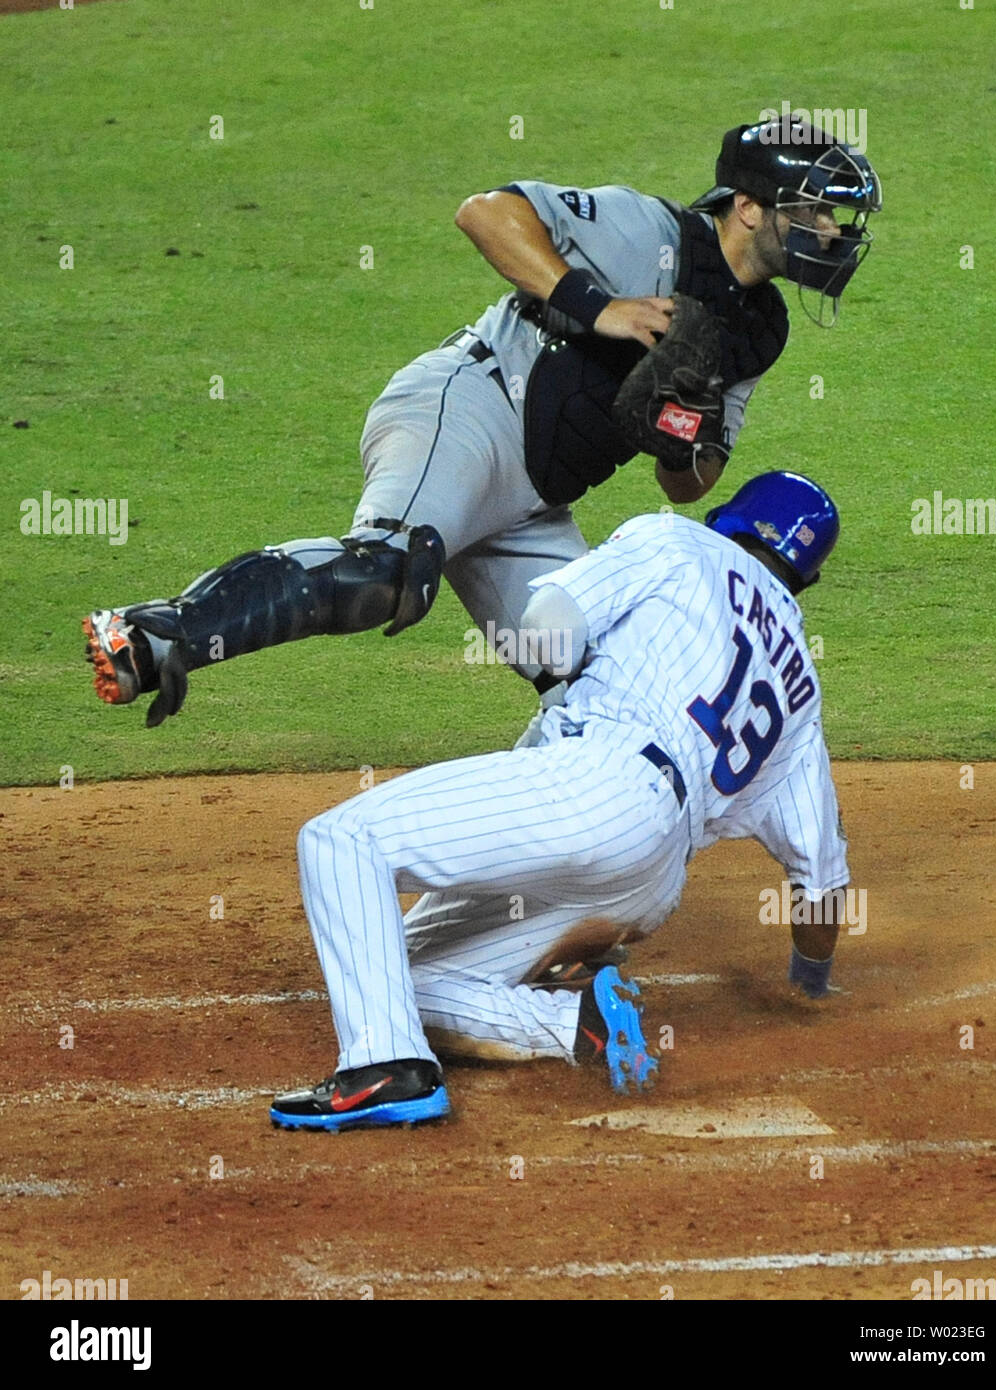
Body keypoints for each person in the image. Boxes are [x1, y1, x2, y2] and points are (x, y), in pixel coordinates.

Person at [82, 118, 881, 728]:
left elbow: (688, 484)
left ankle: (528, 893)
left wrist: (681, 434)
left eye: (839, 221)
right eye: (819, 214)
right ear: (748, 208)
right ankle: (151, 636)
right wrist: (597, 307)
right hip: (469, 407)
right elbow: (486, 213)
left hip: (535, 506)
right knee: (388, 570)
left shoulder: (760, 331)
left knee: (609, 692)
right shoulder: (651, 231)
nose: (834, 235)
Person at [268, 470, 852, 1131]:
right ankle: (573, 1023)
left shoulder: (678, 542)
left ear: (733, 517)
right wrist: (807, 986)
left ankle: (385, 1072)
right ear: (805, 577)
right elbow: (820, 879)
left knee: (342, 841)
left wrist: (575, 681)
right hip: (649, 881)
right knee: (381, 970)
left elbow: (546, 626)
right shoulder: (800, 685)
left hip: (599, 786)